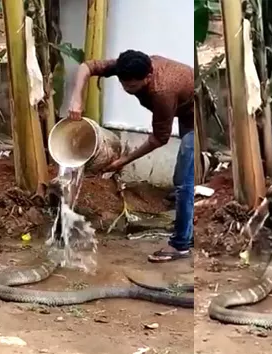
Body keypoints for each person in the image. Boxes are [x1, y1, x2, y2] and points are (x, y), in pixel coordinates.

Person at [68, 50, 194, 263]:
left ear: (148, 77)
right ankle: (187, 215)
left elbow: (159, 138)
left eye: (134, 87)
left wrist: (123, 161)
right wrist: (76, 98)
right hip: (184, 107)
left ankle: (180, 244)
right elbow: (86, 67)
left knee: (183, 184)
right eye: (124, 85)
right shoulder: (125, 65)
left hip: (193, 114)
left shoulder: (162, 91)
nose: (128, 90)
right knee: (185, 177)